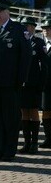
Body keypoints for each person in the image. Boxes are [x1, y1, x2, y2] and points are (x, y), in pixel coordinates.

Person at [0, 0, 32, 161]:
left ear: (7, 12)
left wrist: (20, 81)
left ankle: (8, 151)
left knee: (10, 119)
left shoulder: (19, 30)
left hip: (11, 84)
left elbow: (26, 57)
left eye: (0, 11)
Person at [18, 16, 48, 154]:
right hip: (22, 84)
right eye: (24, 25)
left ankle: (35, 143)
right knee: (24, 112)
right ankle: (27, 142)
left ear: (33, 27)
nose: (26, 28)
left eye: (28, 26)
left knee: (34, 113)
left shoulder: (38, 42)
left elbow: (45, 66)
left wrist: (41, 84)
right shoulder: (19, 40)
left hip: (34, 84)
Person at [41, 16, 51, 149]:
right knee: (46, 111)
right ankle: (49, 138)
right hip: (45, 84)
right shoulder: (41, 44)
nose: (46, 31)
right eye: (43, 29)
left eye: (48, 28)